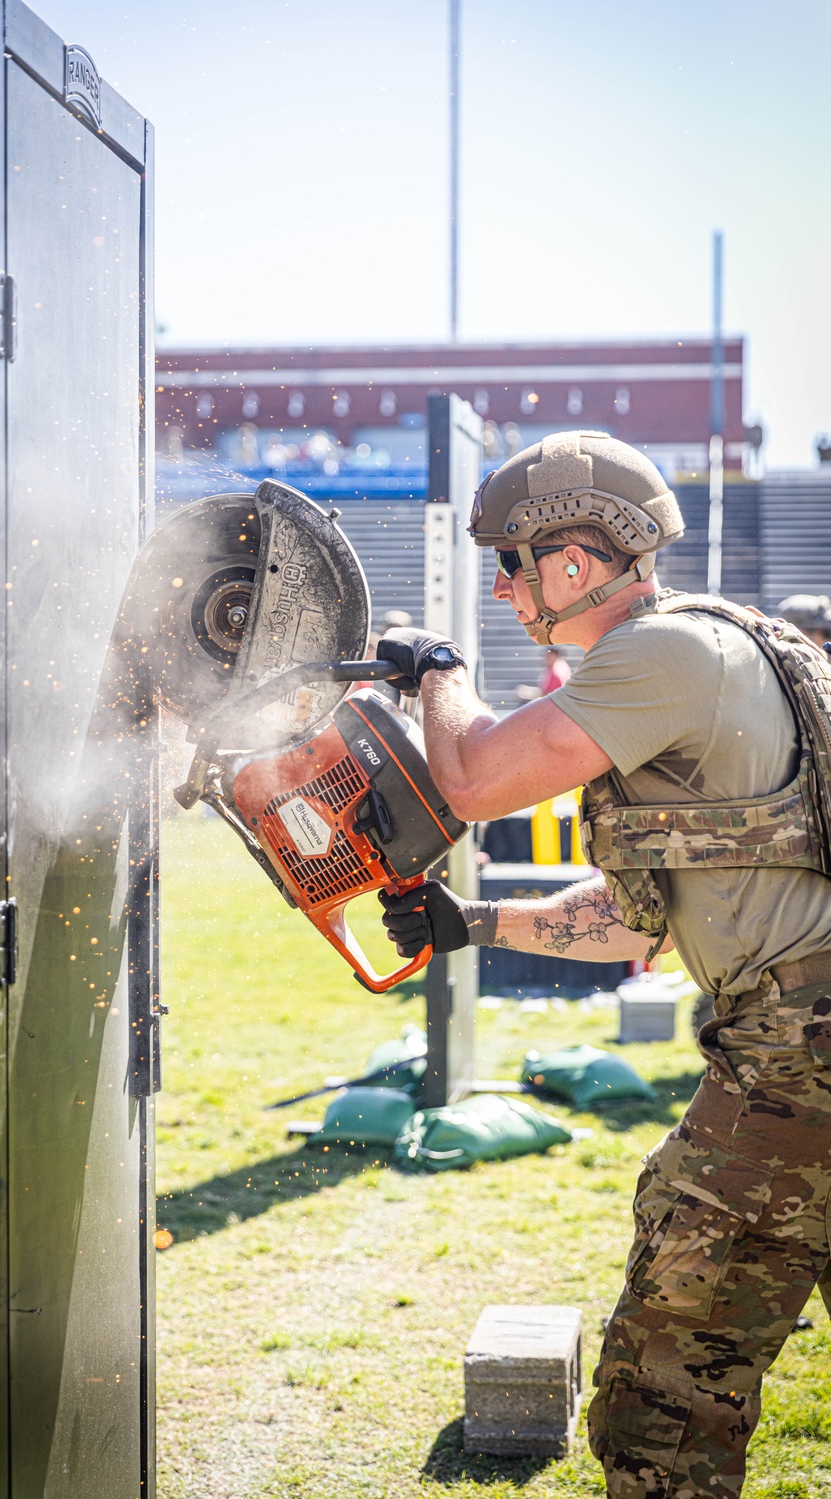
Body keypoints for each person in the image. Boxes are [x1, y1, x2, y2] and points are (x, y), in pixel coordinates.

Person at [375, 429, 831, 1499]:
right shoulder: (723, 648)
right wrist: (472, 925)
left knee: (661, 1402)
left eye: (511, 564)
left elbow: (473, 776)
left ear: (573, 559)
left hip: (794, 1060)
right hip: (804, 1042)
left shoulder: (659, 654)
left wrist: (434, 670)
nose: (502, 592)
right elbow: (639, 926)